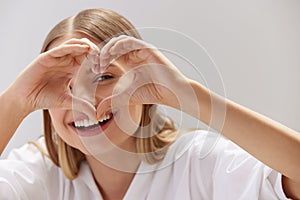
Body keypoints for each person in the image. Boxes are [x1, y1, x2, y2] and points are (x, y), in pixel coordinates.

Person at [0, 8, 299, 200]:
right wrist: (15, 101)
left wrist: (188, 95)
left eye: (104, 76)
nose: (87, 101)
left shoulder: (196, 163)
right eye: (67, 86)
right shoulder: (38, 173)